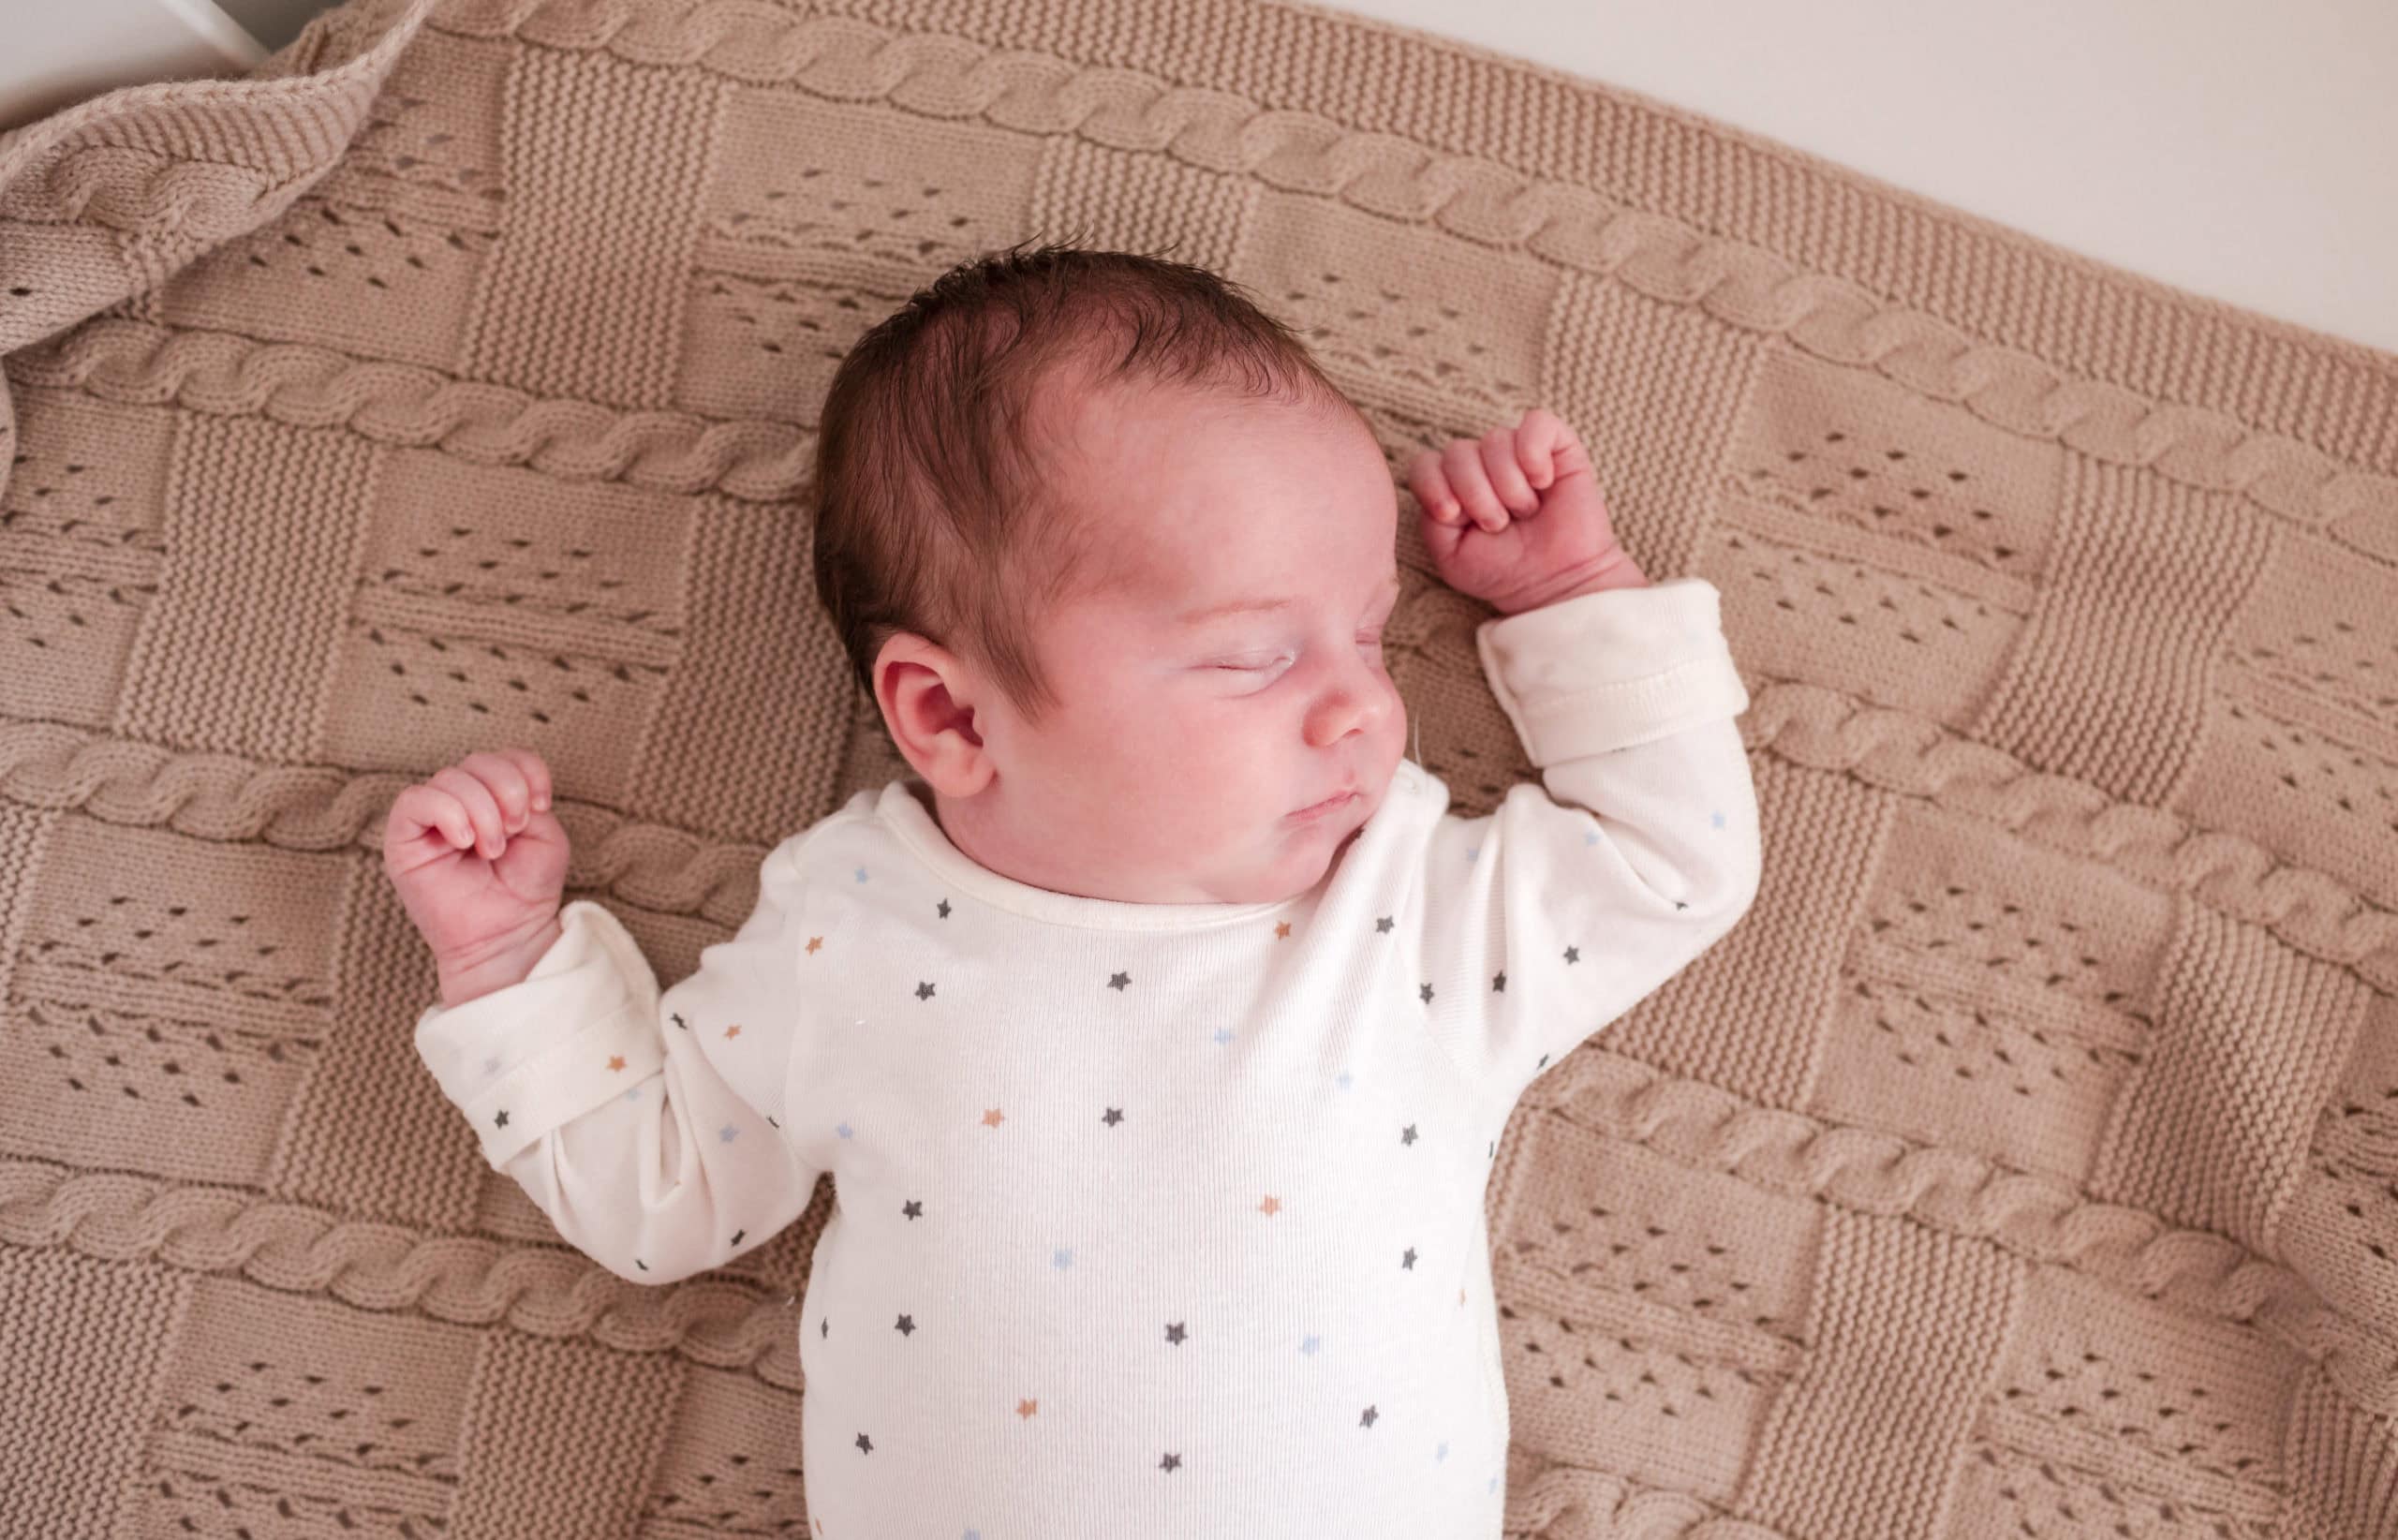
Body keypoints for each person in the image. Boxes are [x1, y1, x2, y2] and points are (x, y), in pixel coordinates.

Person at [384, 238, 1761, 1537]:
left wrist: (1575, 593)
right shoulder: (851, 928)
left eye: (1369, 638)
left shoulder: (1400, 913)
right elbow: (663, 1197)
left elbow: (1666, 863)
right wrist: (511, 963)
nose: (1358, 709)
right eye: (1253, 658)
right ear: (953, 720)